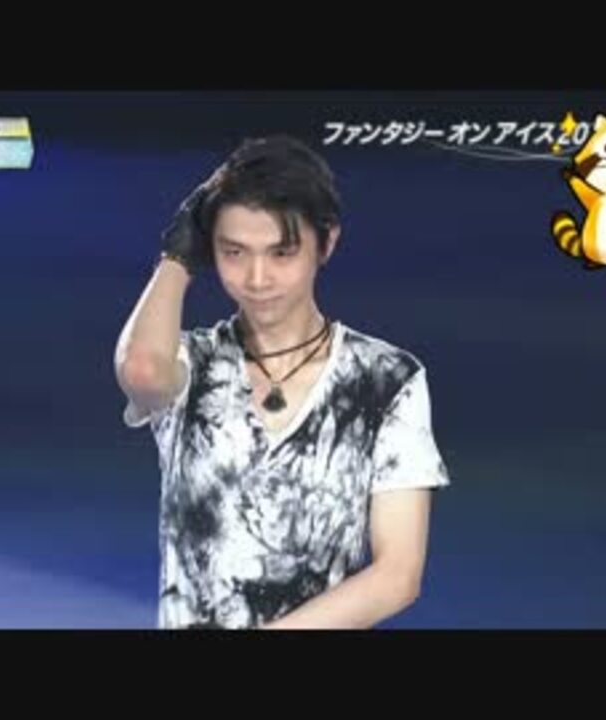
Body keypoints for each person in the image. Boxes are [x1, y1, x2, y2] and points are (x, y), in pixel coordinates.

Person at [114, 135, 450, 629]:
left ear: (326, 243)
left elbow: (397, 575)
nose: (257, 278)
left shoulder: (386, 380)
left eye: (281, 253)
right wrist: (176, 258)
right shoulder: (192, 363)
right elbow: (142, 371)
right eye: (233, 252)